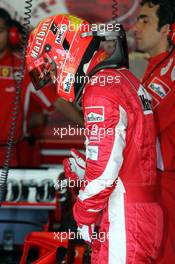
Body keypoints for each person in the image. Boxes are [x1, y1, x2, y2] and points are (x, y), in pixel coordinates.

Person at [26, 14, 163, 263]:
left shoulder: (100, 89)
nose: (55, 78)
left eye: (52, 69)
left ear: (63, 51)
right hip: (138, 210)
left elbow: (103, 174)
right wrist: (86, 165)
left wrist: (82, 215)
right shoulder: (123, 79)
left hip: (123, 216)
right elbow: (130, 154)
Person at [0, 8, 83, 167]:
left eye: (0, 31)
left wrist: (90, 128)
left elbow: (58, 100)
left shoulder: (29, 66)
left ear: (12, 35)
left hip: (10, 157)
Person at [134, 1, 175, 263]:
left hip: (167, 183)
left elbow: (141, 126)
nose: (136, 27)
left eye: (145, 20)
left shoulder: (169, 71)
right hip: (155, 181)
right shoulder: (154, 68)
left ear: (168, 30)